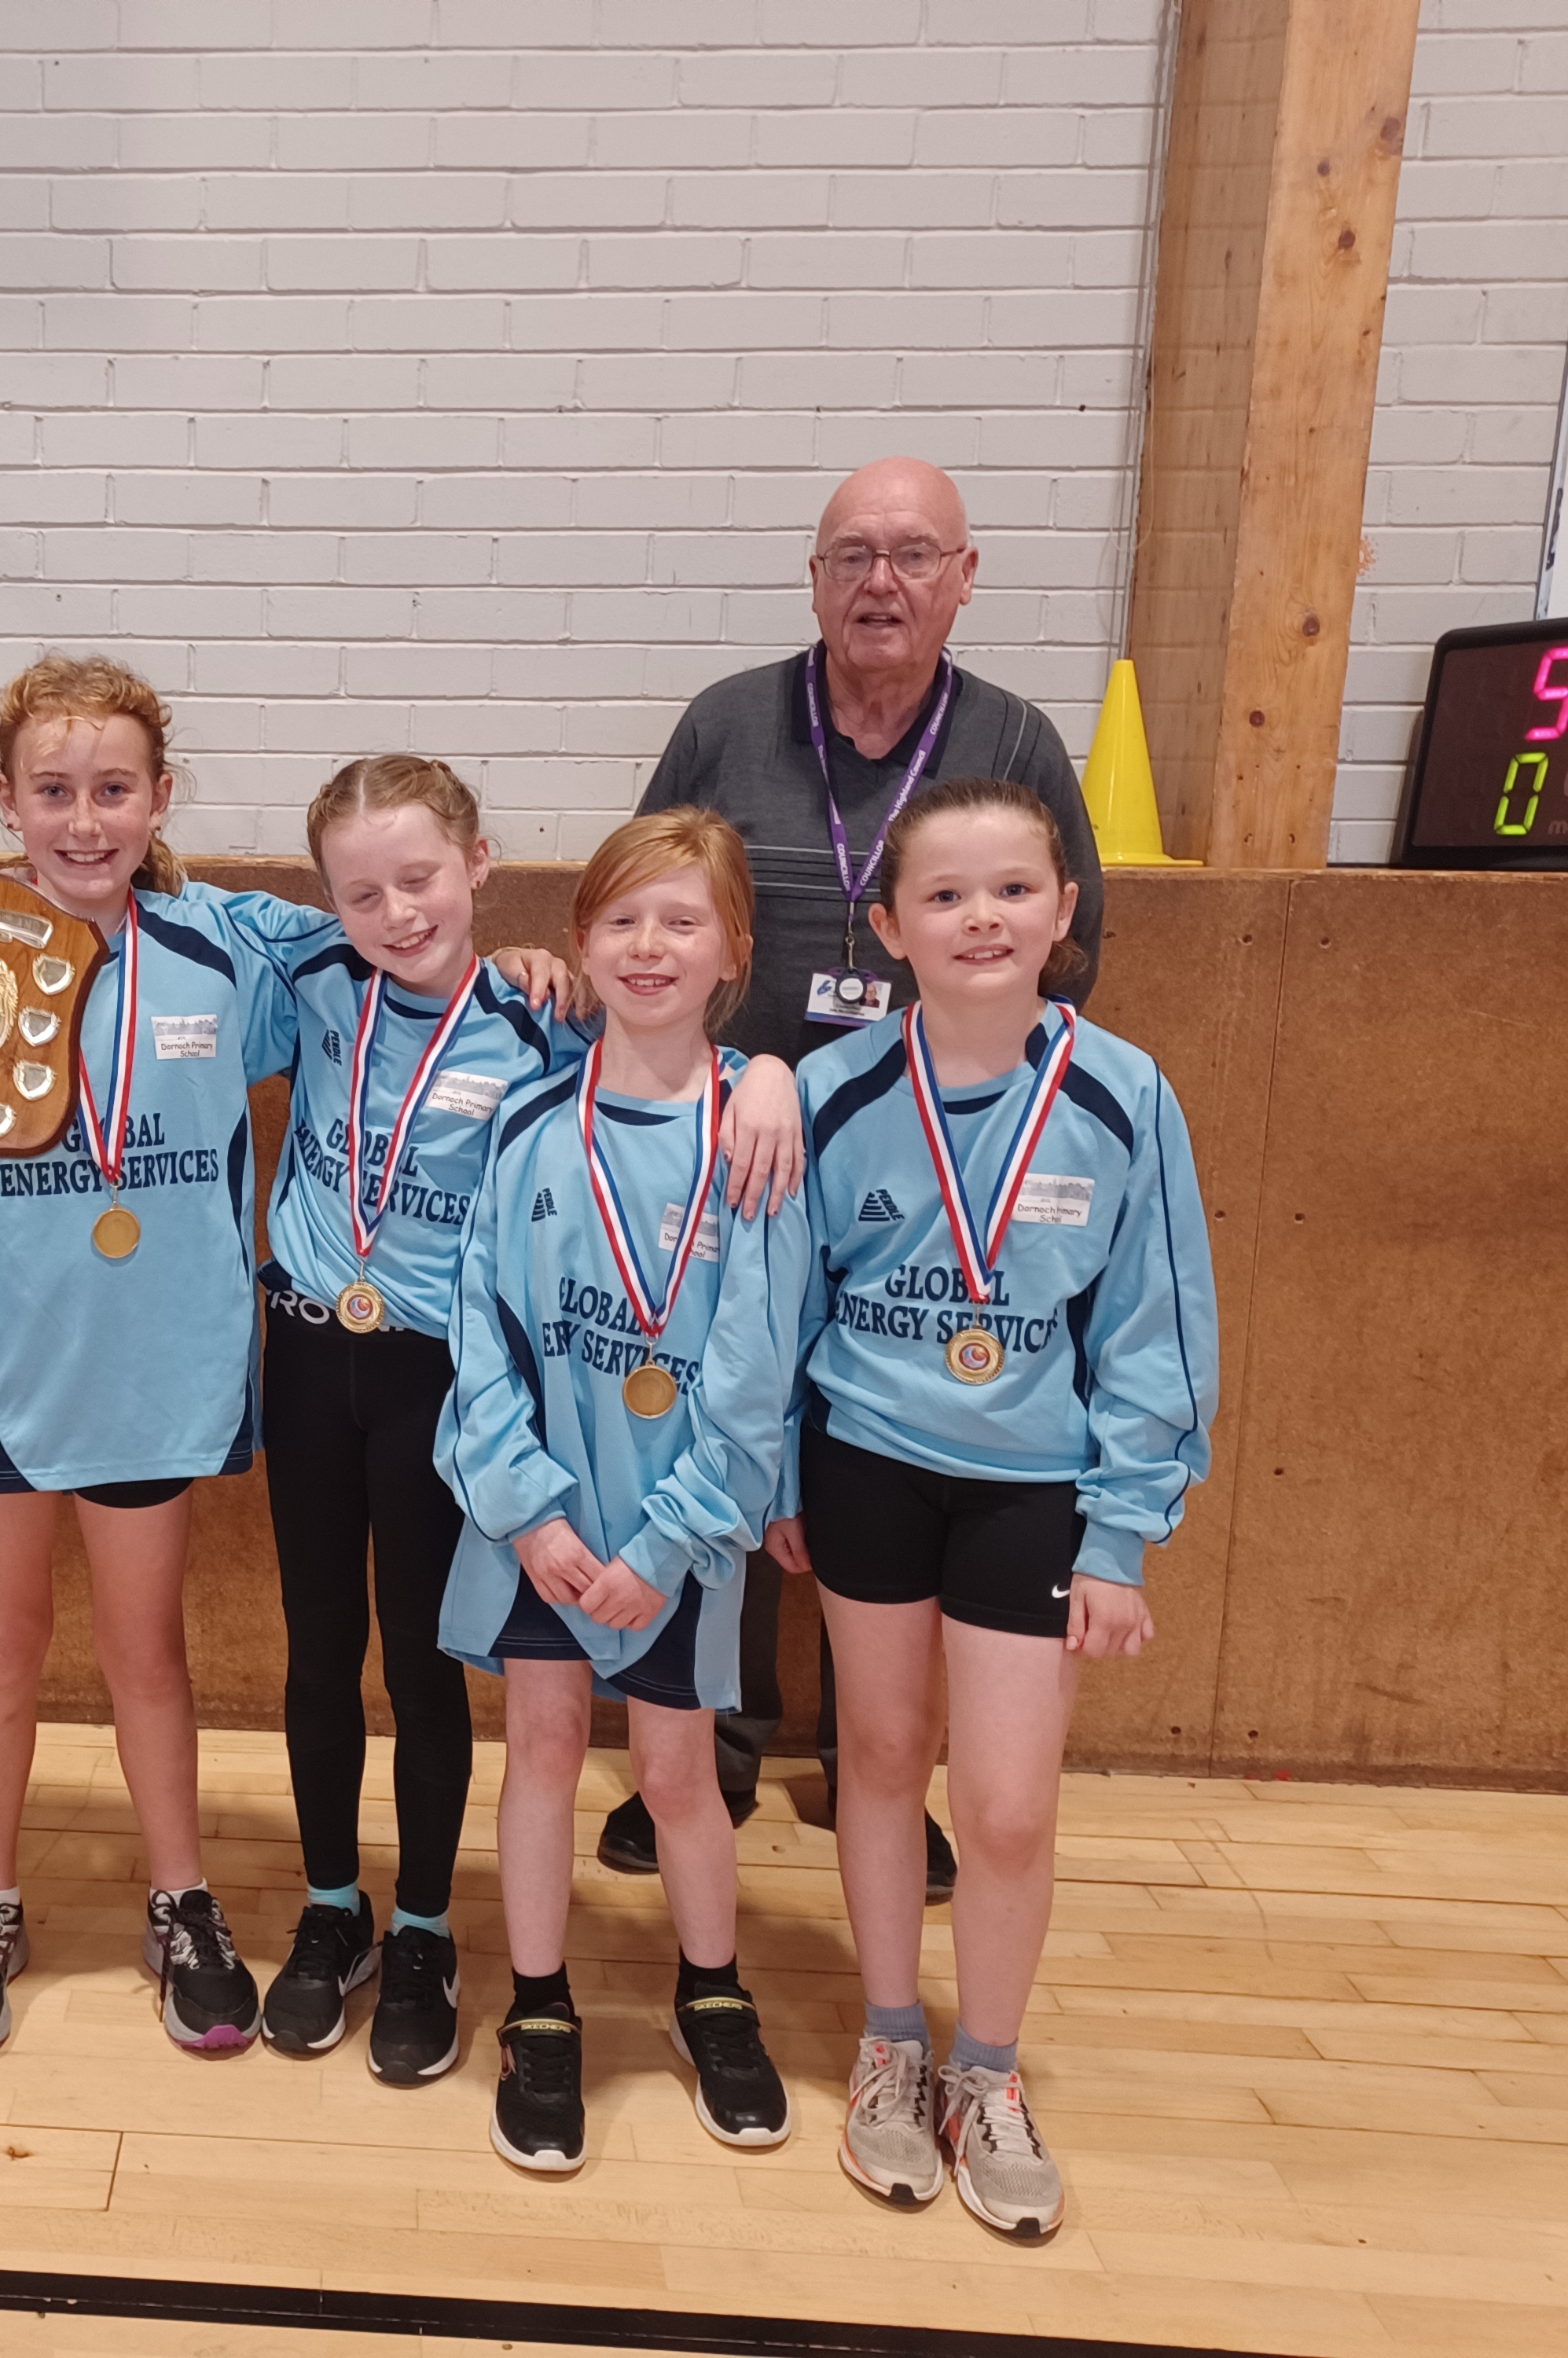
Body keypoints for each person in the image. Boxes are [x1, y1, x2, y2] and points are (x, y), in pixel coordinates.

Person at [243, 756, 802, 2082]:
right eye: (360, 891)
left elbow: (664, 1057)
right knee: (320, 1647)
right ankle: (335, 1909)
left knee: (432, 1663)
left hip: (450, 1380)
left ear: (481, 867)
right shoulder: (312, 981)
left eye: (421, 879)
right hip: (312, 1353)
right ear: (327, 902)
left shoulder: (539, 1023)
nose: (394, 912)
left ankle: (431, 1928)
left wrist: (772, 1063)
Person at [616, 456, 1109, 1888]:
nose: (879, 582)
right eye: (851, 556)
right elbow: (652, 894)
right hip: (736, 1150)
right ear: (815, 578)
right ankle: (700, 1749)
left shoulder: (1013, 738)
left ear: (966, 576)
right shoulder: (727, 723)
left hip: (933, 1178)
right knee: (723, 1435)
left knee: (878, 1452)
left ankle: (873, 1771)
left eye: (912, 556)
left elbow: (1075, 957)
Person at [0, 656, 300, 2061]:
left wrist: (523, 962)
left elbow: (399, 963)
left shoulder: (232, 956)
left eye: (114, 790)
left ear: (163, 797)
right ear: (5, 799)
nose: (85, 821)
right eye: (54, 791)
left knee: (148, 1650)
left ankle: (183, 1899)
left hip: (158, 1366)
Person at [779, 773, 1215, 2239]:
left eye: (1015, 889)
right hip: (867, 1468)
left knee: (1012, 1808)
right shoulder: (832, 1091)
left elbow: (1156, 1327)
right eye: (947, 895)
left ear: (1065, 914)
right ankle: (894, 2042)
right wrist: (784, 1475)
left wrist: (1122, 1530)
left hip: (1035, 1488)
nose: (983, 916)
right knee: (883, 1757)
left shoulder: (1123, 1093)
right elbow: (780, 1310)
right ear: (891, 925)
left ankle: (991, 2069)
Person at [434, 806, 809, 2176]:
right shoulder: (532, 1120)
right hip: (542, 1527)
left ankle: (712, 1993)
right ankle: (539, 2006)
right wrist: (528, 1512)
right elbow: (480, 1331)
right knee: (536, 1753)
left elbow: (759, 1367)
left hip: (680, 1533)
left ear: (734, 955)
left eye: (682, 920)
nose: (649, 945)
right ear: (581, 940)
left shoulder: (760, 1134)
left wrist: (668, 1539)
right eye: (622, 918)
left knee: (674, 1773)